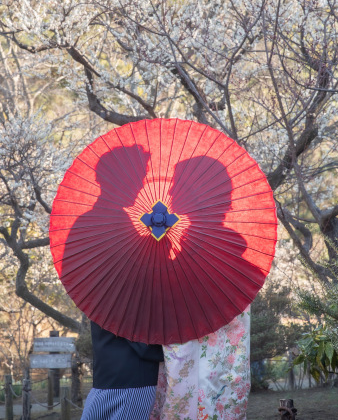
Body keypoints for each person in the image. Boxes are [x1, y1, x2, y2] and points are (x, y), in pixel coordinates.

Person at [150, 155, 259, 420]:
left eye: (175, 186)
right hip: (220, 366)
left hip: (198, 364)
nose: (171, 193)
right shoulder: (230, 244)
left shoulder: (196, 247)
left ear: (192, 196)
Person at [81, 320, 165, 420]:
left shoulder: (102, 307)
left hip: (103, 381)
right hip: (134, 383)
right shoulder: (132, 306)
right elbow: (144, 348)